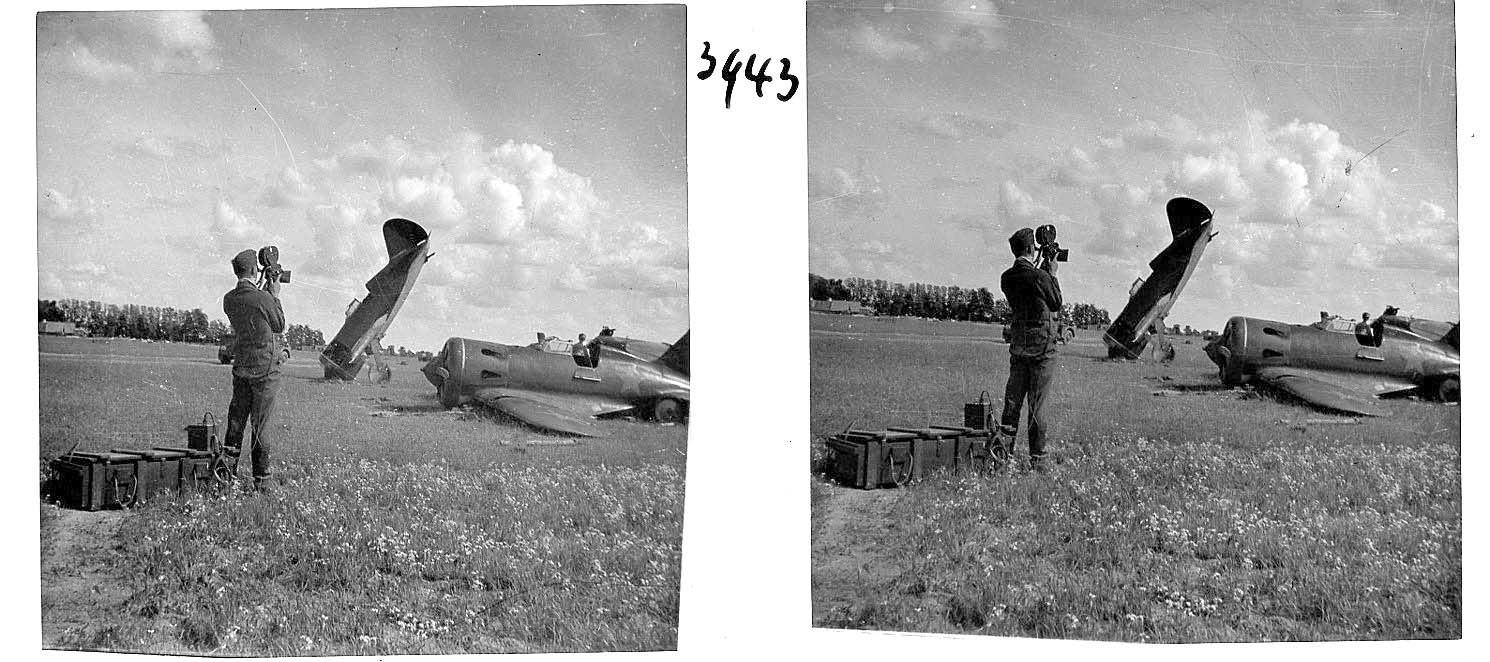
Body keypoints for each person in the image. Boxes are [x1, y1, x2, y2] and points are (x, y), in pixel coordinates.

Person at [998, 227, 1062, 471]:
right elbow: (1055, 302)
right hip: (1042, 350)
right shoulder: (1040, 277)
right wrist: (1052, 273)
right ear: (1030, 249)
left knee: (1012, 402)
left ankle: (1003, 457)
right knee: (1038, 406)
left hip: (1019, 347)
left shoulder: (1006, 278)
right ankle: (1039, 461)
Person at [222, 250, 285, 491]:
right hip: (265, 369)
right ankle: (262, 482)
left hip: (241, 367)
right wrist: (274, 295)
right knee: (261, 425)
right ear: (254, 271)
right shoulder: (264, 299)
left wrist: (263, 291)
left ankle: (226, 477)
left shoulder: (229, 299)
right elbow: (278, 325)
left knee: (236, 423)